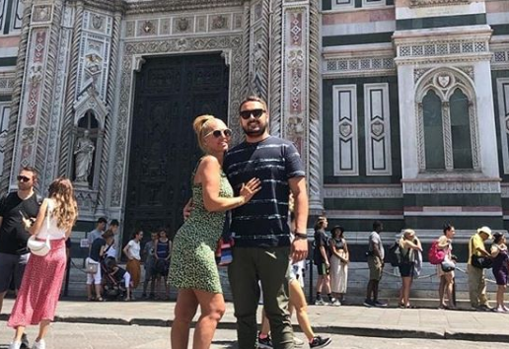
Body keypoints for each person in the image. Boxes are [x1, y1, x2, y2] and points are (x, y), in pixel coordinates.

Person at [169, 114, 261, 349]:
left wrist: (190, 204)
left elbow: (201, 199)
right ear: (204, 141)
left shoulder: (217, 167)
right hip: (197, 241)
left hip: (193, 239)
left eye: (226, 132)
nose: (224, 136)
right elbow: (211, 203)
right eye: (216, 134)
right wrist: (242, 198)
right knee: (215, 308)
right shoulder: (209, 162)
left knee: (185, 310)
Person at [224, 96, 308, 349]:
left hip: (275, 243)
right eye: (246, 114)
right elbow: (217, 193)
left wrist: (301, 234)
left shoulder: (285, 149)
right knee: (243, 313)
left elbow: (300, 192)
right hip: (240, 246)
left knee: (278, 311)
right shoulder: (232, 156)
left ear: (267, 115)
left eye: (257, 113)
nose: (252, 118)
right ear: (240, 119)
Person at [7, 177, 78, 349]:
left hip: (42, 253)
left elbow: (35, 229)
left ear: (53, 188)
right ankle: (40, 340)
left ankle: (17, 340)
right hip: (59, 253)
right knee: (50, 295)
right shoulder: (72, 208)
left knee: (28, 292)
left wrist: (26, 225)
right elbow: (66, 236)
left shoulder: (47, 202)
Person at [0, 167, 40, 349]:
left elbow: (40, 229)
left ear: (34, 181)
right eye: (19, 178)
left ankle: (20, 335)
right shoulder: (7, 199)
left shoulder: (38, 202)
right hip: (4, 252)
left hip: (25, 253)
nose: (21, 181)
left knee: (22, 295)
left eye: (25, 178)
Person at [467, 226, 492, 311]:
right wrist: (488, 255)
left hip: (479, 265)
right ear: (483, 233)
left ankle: (483, 303)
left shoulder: (481, 240)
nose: (487, 238)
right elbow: (478, 248)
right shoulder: (476, 237)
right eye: (487, 236)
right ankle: (474, 304)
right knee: (474, 284)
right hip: (473, 264)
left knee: (482, 283)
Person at [86, 230, 115, 301]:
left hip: (89, 260)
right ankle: (98, 296)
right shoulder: (103, 242)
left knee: (89, 279)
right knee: (97, 279)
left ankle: (89, 296)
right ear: (109, 238)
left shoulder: (97, 240)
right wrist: (104, 253)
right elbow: (100, 254)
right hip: (95, 262)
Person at [397, 229, 422, 309]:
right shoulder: (407, 242)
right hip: (407, 265)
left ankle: (400, 301)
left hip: (405, 265)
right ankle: (406, 303)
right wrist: (417, 240)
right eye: (412, 235)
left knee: (404, 285)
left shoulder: (403, 242)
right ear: (408, 236)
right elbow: (419, 248)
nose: (414, 237)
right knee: (407, 285)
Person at [364, 220, 386, 307]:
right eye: (381, 226)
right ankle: (368, 299)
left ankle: (375, 299)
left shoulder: (376, 235)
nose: (382, 228)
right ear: (378, 227)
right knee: (373, 279)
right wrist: (380, 258)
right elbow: (375, 247)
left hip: (376, 258)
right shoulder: (374, 235)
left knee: (376, 279)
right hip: (374, 258)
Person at [313, 217, 334, 306]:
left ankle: (318, 297)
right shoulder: (320, 233)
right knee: (326, 278)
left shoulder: (321, 233)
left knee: (321, 277)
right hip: (322, 259)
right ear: (321, 223)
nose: (327, 223)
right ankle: (331, 298)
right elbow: (321, 247)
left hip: (322, 259)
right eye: (325, 221)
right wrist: (325, 260)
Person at [437, 224, 456, 310]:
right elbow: (438, 246)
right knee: (450, 282)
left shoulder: (445, 239)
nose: (454, 233)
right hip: (445, 263)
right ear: (447, 231)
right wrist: (447, 243)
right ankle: (450, 303)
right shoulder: (444, 238)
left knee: (443, 282)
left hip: (443, 262)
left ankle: (442, 303)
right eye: (452, 231)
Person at [329, 226, 348, 305]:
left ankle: (342, 294)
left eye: (339, 231)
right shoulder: (332, 240)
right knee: (336, 276)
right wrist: (341, 258)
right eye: (336, 231)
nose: (338, 232)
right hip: (336, 258)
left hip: (343, 257)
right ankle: (335, 296)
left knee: (343, 275)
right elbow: (333, 251)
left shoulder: (343, 240)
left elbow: (346, 250)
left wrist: (346, 258)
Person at [491, 232, 508, 312]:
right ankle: (498, 305)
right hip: (498, 268)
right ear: (500, 239)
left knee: (504, 287)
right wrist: (499, 249)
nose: (505, 239)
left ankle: (502, 304)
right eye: (503, 238)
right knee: (501, 286)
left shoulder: (505, 246)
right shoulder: (495, 246)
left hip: (505, 268)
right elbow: (493, 255)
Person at [123, 230, 143, 296]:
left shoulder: (138, 243)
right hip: (132, 260)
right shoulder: (132, 242)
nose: (141, 236)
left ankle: (131, 291)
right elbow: (125, 249)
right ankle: (129, 293)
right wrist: (129, 256)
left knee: (137, 276)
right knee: (132, 276)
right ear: (136, 235)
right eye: (140, 235)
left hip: (137, 260)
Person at [154, 228, 171, 300]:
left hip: (165, 261)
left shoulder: (169, 242)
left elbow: (170, 252)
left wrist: (166, 259)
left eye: (163, 233)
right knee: (158, 278)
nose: (162, 234)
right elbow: (155, 251)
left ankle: (167, 294)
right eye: (161, 233)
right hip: (159, 261)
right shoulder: (157, 241)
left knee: (166, 278)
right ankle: (158, 294)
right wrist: (157, 258)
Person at [142, 232, 158, 299]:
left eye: (154, 236)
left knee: (154, 279)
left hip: (155, 263)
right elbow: (144, 253)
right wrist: (145, 262)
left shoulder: (157, 244)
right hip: (149, 262)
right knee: (147, 278)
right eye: (152, 236)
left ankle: (152, 292)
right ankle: (144, 292)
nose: (153, 238)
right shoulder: (148, 244)